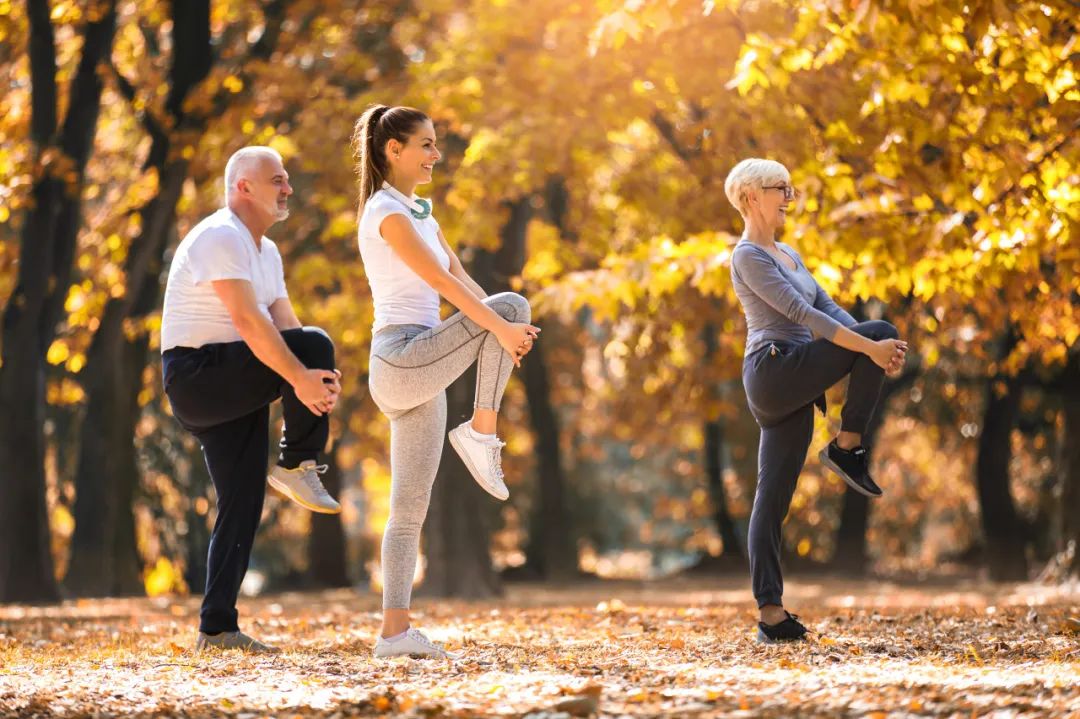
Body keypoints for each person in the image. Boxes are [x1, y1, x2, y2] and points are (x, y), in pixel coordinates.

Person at [353, 105, 539, 659]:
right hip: (400, 355)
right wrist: (502, 323)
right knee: (510, 304)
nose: (437, 155)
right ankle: (480, 431)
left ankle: (394, 633)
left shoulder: (421, 214)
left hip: (421, 370)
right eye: (427, 145)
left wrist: (507, 335)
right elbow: (435, 281)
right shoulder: (385, 211)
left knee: (409, 509)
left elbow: (461, 279)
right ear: (394, 150)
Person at [161, 146, 344, 653]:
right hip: (198, 376)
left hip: (234, 376)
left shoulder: (266, 251)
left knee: (241, 503)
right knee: (313, 345)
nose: (288, 189)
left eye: (287, 180)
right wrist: (302, 372)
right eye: (277, 180)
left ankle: (216, 628)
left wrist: (313, 380)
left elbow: (285, 325)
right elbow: (248, 321)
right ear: (243, 186)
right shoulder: (222, 236)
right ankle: (297, 461)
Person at [725, 158, 908, 643]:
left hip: (796, 377)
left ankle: (771, 615)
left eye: (790, 187)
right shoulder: (748, 255)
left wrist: (874, 355)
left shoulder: (787, 252)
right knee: (880, 331)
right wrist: (870, 346)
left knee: (773, 499)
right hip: (772, 370)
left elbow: (827, 307)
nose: (788, 197)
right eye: (777, 188)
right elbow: (799, 313)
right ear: (750, 197)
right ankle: (846, 448)